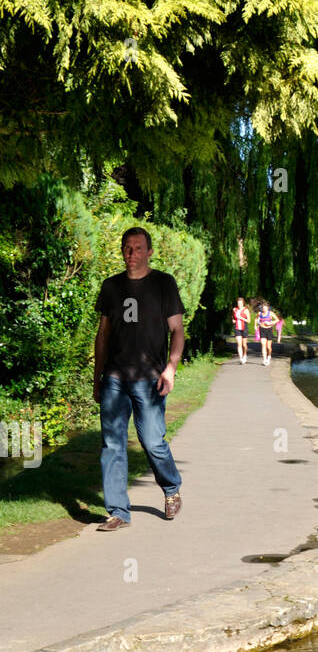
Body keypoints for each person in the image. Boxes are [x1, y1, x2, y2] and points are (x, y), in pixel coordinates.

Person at [92, 227, 184, 531]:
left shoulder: (163, 284)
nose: (132, 254)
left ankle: (171, 488)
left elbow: (177, 331)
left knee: (153, 441)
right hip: (115, 378)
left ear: (149, 252)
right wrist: (97, 377)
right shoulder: (111, 287)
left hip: (150, 378)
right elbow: (103, 335)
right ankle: (118, 511)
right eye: (127, 248)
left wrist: (171, 368)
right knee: (112, 444)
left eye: (138, 248)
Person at [232, 297, 250, 363]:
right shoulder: (235, 309)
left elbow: (249, 321)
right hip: (237, 328)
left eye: (240, 303)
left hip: (244, 328)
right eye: (238, 303)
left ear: (243, 303)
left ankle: (245, 355)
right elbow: (233, 317)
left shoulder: (246, 310)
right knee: (239, 344)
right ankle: (241, 358)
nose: (239, 304)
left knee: (244, 345)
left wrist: (241, 317)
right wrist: (233, 320)